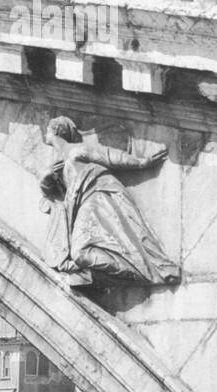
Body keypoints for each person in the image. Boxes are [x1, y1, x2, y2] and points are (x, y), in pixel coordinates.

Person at [40, 117, 179, 287]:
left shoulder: (75, 151)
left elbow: (108, 155)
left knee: (80, 253)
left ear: (55, 130)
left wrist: (142, 163)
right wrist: (46, 179)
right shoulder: (56, 164)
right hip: (79, 205)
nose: (45, 133)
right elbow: (55, 196)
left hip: (96, 198)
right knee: (81, 254)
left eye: (47, 129)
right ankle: (104, 274)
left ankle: (141, 271)